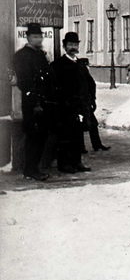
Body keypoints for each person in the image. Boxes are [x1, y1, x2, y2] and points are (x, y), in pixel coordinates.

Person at [12, 23, 54, 180]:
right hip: (32, 103)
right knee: (33, 136)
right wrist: (35, 103)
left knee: (41, 136)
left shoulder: (41, 55)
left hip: (44, 103)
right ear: (28, 37)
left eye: (40, 36)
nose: (38, 39)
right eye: (35, 36)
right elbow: (25, 82)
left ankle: (33, 168)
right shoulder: (21, 56)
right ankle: (30, 169)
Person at [51, 32, 91, 174]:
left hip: (79, 106)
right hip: (65, 106)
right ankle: (64, 164)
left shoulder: (80, 64)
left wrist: (91, 100)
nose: (73, 47)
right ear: (64, 46)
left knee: (78, 136)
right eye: (70, 45)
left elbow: (89, 83)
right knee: (65, 136)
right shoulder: (58, 65)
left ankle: (77, 162)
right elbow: (55, 87)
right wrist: (64, 102)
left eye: (75, 44)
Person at [77, 58, 110, 152]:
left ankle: (96, 144)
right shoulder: (81, 73)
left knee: (92, 123)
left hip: (86, 102)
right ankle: (82, 147)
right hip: (80, 103)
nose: (88, 66)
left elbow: (91, 86)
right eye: (86, 64)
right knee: (81, 124)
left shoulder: (85, 73)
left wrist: (92, 100)